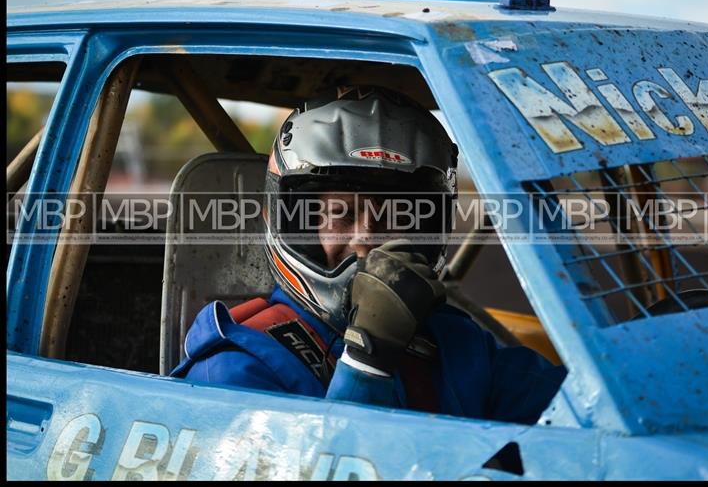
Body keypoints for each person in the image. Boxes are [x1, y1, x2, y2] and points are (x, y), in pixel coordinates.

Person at [170, 86, 566, 424]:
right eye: (341, 213)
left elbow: (573, 419)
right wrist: (367, 362)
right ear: (288, 222)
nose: (366, 240)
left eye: (397, 215)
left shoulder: (456, 341)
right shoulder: (232, 369)